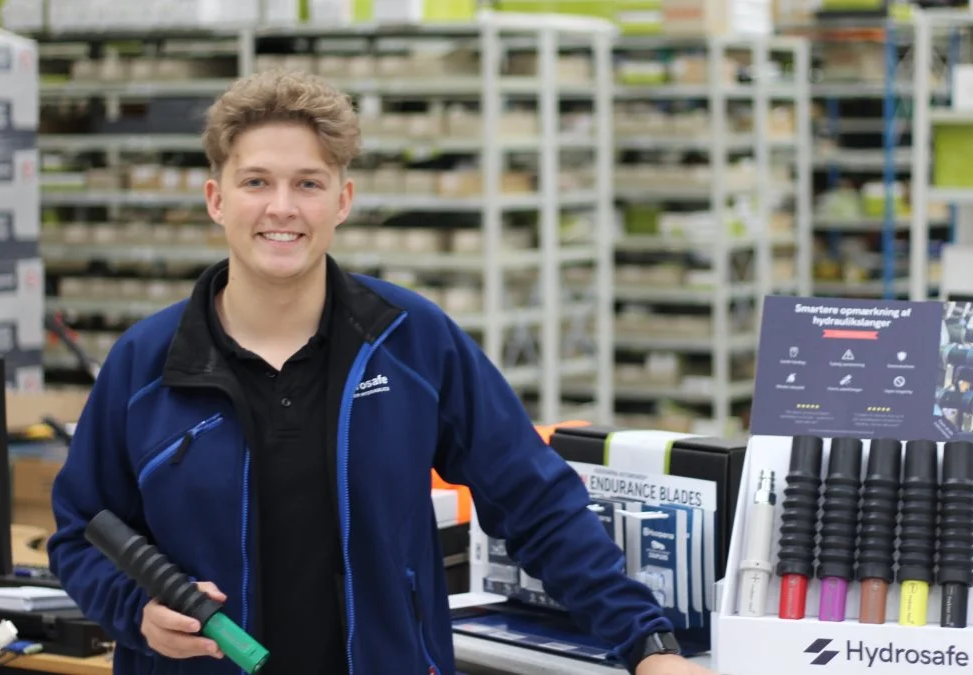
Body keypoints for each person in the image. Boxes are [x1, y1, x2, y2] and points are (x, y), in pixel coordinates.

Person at [45, 70, 716, 675]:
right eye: (257, 182)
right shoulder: (146, 362)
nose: (282, 207)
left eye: (308, 183)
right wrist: (134, 609)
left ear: (343, 199)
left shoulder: (412, 340)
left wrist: (647, 646)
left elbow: (536, 501)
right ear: (217, 198)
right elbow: (79, 532)